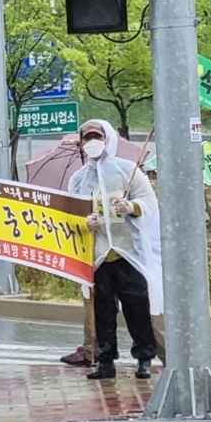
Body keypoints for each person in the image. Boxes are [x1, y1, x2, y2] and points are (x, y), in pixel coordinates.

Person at [68, 120, 160, 380]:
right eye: (87, 138)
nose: (92, 143)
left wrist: (131, 207)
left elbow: (149, 201)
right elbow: (71, 215)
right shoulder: (79, 180)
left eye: (97, 137)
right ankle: (105, 360)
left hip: (126, 252)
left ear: (108, 139)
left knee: (137, 306)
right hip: (97, 257)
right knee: (103, 311)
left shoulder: (127, 170)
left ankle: (144, 358)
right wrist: (84, 222)